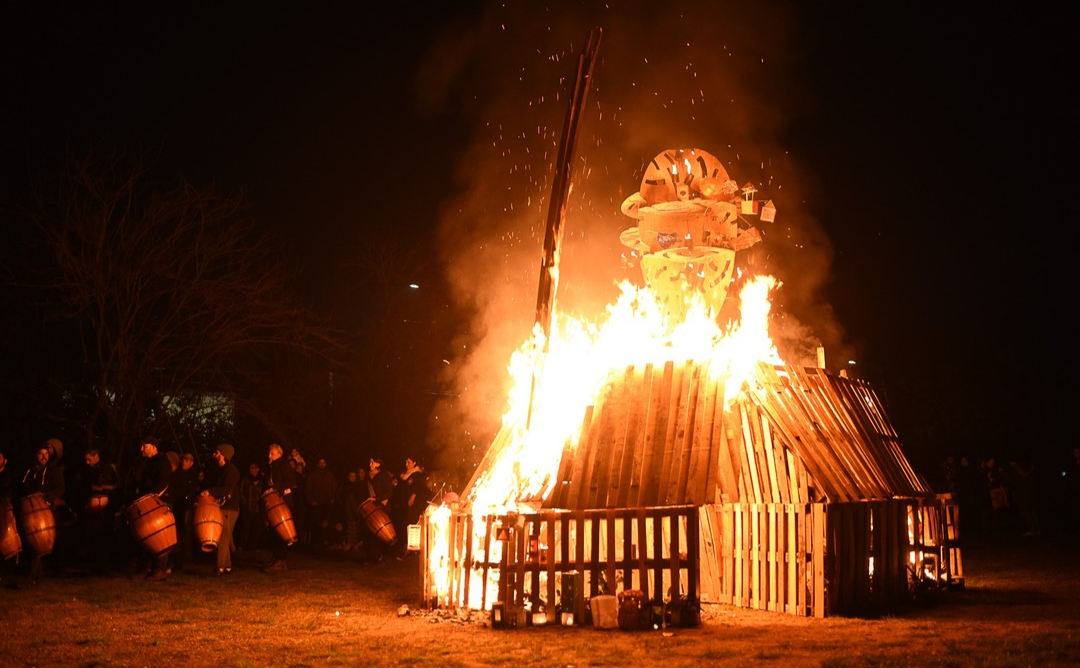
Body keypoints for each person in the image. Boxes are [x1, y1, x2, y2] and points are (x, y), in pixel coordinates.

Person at [20, 443, 66, 582]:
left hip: (46, 510)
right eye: (41, 453)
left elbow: (60, 488)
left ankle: (35, 574)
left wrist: (45, 496)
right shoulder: (30, 471)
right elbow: (23, 488)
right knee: (31, 539)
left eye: (46, 454)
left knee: (41, 538)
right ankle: (35, 573)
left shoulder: (54, 470)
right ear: (36, 455)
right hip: (30, 510)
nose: (44, 456)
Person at [131, 437, 173, 581]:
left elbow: (164, 481)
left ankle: (160, 569)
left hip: (157, 503)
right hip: (147, 502)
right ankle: (148, 567)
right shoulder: (146, 463)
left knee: (159, 535)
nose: (141, 449)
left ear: (154, 447)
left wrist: (151, 497)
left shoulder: (162, 461)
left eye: (145, 446)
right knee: (146, 535)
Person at [201, 444, 240, 576]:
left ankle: (219, 567)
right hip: (222, 506)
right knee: (224, 536)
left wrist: (210, 491)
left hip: (230, 508)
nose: (214, 454)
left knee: (222, 536)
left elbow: (228, 490)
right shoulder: (221, 470)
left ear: (223, 454)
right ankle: (227, 566)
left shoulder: (231, 471)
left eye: (216, 452)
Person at [81, 448, 120, 574]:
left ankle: (104, 565)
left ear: (96, 456)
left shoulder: (108, 469)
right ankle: (95, 565)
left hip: (105, 505)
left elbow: (117, 486)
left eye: (89, 459)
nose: (87, 462)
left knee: (104, 534)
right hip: (93, 505)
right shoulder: (90, 471)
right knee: (94, 534)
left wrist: (102, 488)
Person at [264, 443, 297, 572]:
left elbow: (292, 482)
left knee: (281, 533)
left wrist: (275, 488)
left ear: (279, 454)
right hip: (272, 504)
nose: (269, 455)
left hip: (282, 504)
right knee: (273, 533)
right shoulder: (270, 468)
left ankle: (281, 560)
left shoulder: (284, 466)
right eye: (269, 453)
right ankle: (276, 558)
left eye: (272, 453)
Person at [169, 452, 200, 572]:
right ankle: (181, 559)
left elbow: (190, 491)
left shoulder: (191, 474)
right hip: (180, 505)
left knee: (184, 531)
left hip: (186, 506)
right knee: (180, 532)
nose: (184, 462)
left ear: (191, 462)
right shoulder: (178, 473)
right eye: (183, 460)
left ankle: (186, 557)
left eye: (187, 460)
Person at [393, 456, 430, 558]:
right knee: (403, 526)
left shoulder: (417, 475)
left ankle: (411, 549)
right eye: (406, 462)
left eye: (408, 462)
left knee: (409, 525)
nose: (406, 464)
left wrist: (413, 496)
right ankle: (407, 549)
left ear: (414, 463)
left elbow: (418, 488)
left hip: (413, 506)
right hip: (403, 505)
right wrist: (396, 484)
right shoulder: (405, 475)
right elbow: (402, 488)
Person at [305, 457, 338, 547]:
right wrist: (311, 500)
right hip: (316, 503)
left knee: (327, 522)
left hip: (327, 503)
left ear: (326, 464)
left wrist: (332, 498)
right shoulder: (313, 475)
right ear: (317, 464)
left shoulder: (329, 475)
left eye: (323, 463)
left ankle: (326, 540)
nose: (322, 464)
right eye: (320, 463)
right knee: (316, 523)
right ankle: (316, 541)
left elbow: (334, 487)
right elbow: (309, 488)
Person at [237, 461, 265, 552]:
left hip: (258, 508)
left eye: (253, 468)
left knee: (256, 528)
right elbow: (240, 491)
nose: (251, 470)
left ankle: (253, 545)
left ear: (257, 469)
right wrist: (243, 501)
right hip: (248, 506)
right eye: (250, 468)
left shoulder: (262, 480)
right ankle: (242, 545)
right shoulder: (246, 479)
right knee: (245, 527)